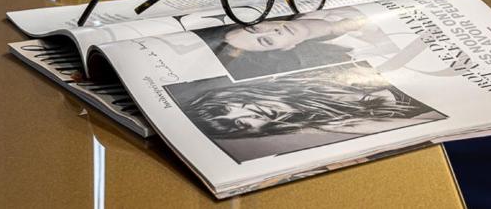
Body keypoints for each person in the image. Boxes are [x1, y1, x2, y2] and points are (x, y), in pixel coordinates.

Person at [182, 64, 442, 143]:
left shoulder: (306, 72)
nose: (243, 114)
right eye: (234, 126)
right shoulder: (341, 125)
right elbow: (432, 124)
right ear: (253, 132)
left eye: (227, 107)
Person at [198, 7, 397, 79]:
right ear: (285, 48)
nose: (273, 30)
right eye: (266, 40)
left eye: (255, 28)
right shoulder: (356, 53)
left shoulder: (308, 1)